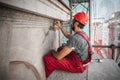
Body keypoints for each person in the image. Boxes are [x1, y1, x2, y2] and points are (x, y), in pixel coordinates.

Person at [43, 12, 92, 78]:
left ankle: (50, 77)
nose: (71, 23)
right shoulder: (82, 34)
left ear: (76, 23)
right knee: (60, 49)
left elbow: (58, 56)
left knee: (48, 59)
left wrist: (52, 51)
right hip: (80, 59)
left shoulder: (76, 38)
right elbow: (68, 35)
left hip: (78, 66)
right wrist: (60, 27)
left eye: (73, 21)